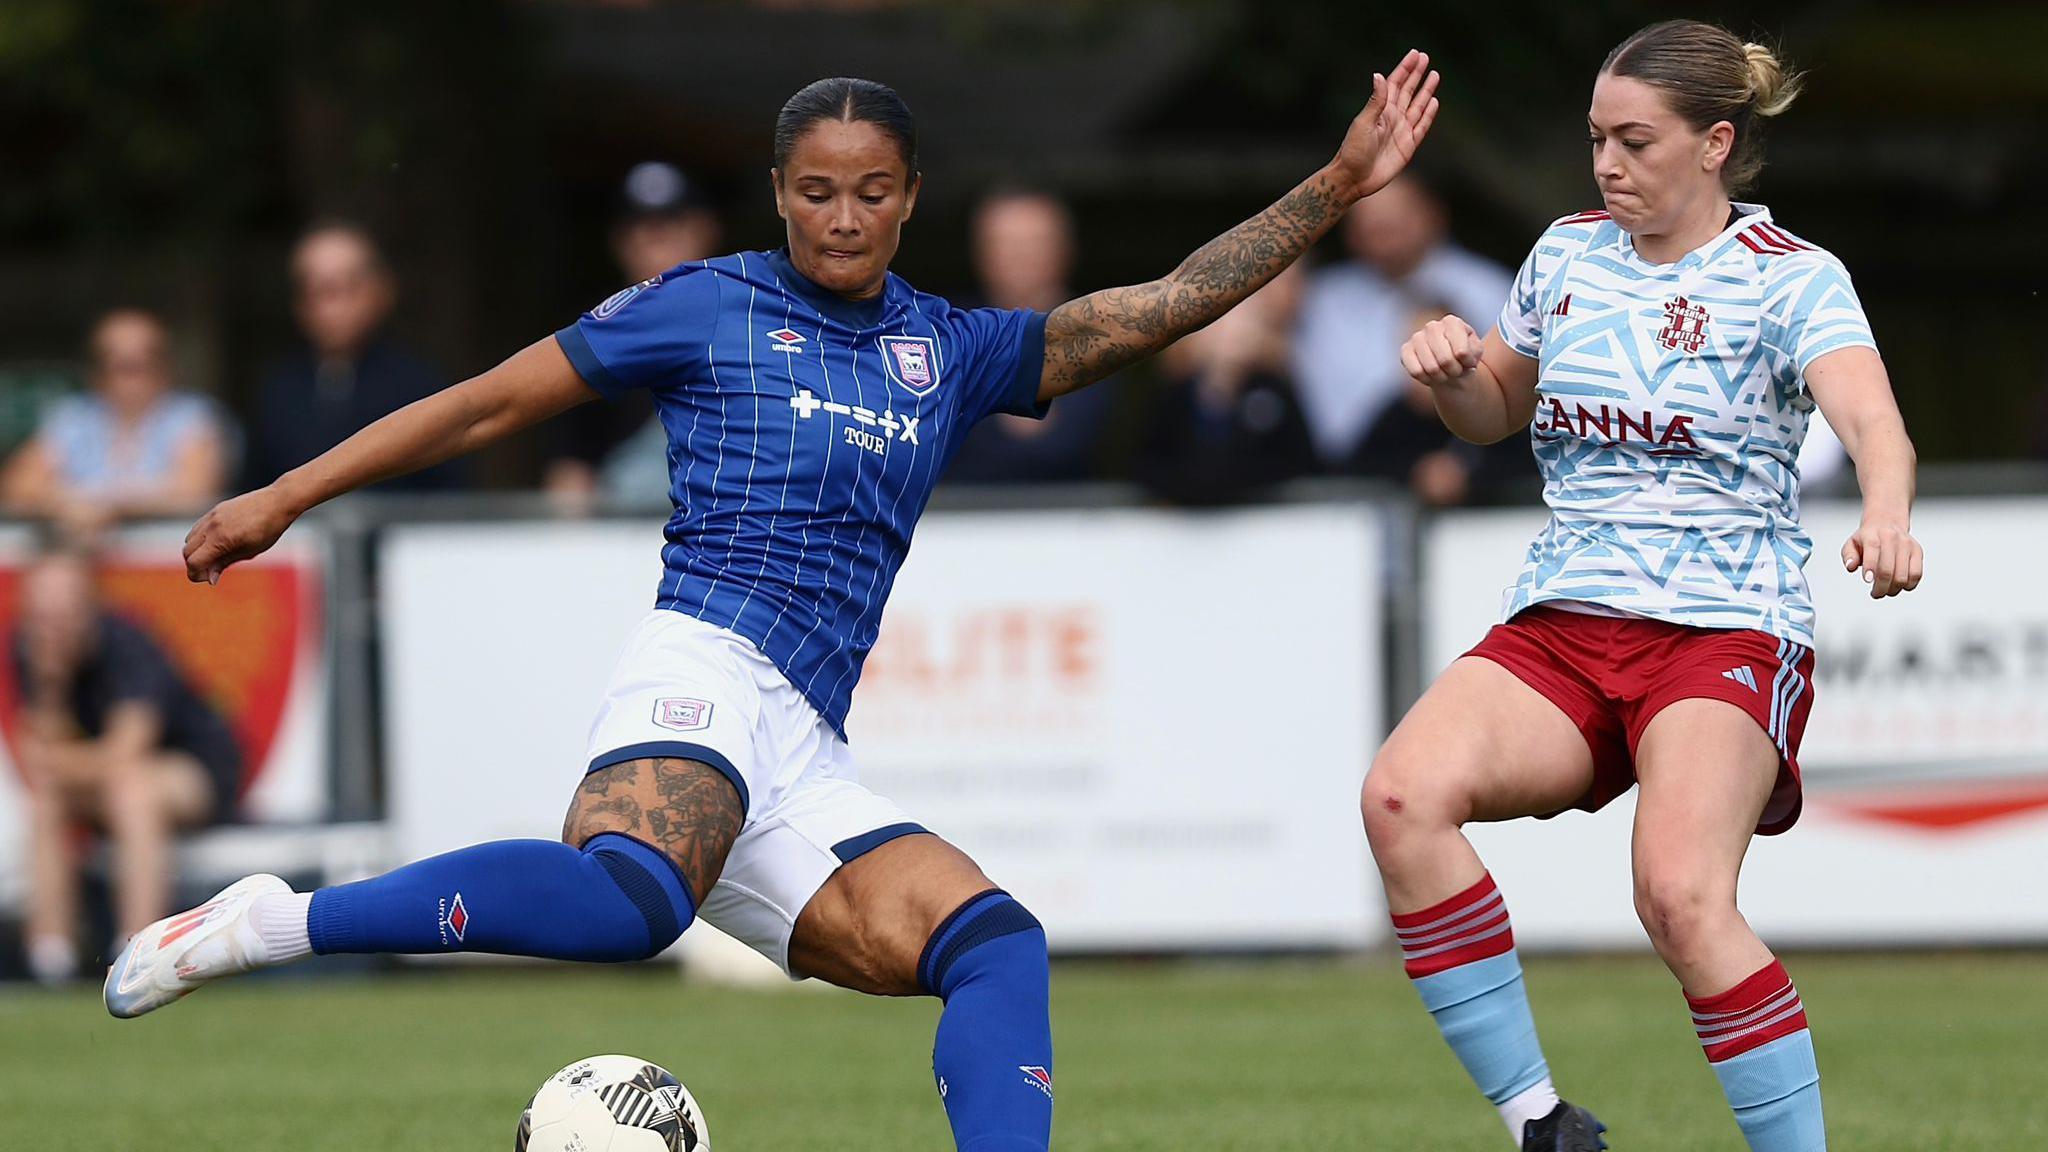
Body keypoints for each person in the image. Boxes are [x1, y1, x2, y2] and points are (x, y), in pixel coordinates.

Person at [107, 60, 1442, 1152]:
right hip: (703, 661)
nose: (843, 219)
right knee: (631, 905)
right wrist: (288, 493)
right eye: (816, 193)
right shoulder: (707, 305)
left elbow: (1152, 311)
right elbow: (488, 402)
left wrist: (1332, 188)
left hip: (803, 742)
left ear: (911, 198)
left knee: (996, 946)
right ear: (780, 196)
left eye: (870, 193)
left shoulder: (952, 349)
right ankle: (271, 921)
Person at [1364, 22, 1921, 1152]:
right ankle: (1542, 1126)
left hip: (1722, 628)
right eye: (1593, 140)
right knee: (1397, 798)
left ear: (1715, 143)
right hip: (1567, 618)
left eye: (1633, 140)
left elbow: (1870, 418)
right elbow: (1493, 412)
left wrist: (1884, 510)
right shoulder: (1564, 255)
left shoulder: (1790, 279)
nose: (1606, 164)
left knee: (1676, 897)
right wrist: (1450, 376)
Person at [14, 546, 242, 984]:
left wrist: (57, 762)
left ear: (90, 608)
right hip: (110, 776)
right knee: (49, 800)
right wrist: (50, 686)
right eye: (42, 617)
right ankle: (49, 956)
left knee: (131, 790)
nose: (52, 630)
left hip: (193, 769)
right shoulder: (31, 653)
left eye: (63, 615)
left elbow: (126, 751)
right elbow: (38, 761)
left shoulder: (128, 644)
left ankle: (136, 952)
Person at [1293, 173, 1512, 468]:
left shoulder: (1490, 289)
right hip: (1344, 478)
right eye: (1368, 222)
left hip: (1473, 471)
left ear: (1434, 215)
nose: (1381, 231)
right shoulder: (1321, 299)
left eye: (1396, 218)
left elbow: (1509, 396)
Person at [544, 162, 726, 509]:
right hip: (621, 540)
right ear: (619, 242)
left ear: (706, 231)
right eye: (641, 230)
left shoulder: (746, 322)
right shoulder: (593, 337)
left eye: (671, 227)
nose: (654, 244)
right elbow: (569, 471)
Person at [245, 222, 460, 492]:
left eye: (346, 288)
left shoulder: (419, 385)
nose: (332, 307)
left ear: (382, 291)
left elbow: (449, 494)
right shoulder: (278, 390)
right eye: (317, 290)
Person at [0, 309, 229, 539]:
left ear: (165, 367)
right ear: (96, 370)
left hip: (167, 557)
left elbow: (194, 489)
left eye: (140, 363)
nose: (129, 376)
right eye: (117, 363)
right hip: (78, 554)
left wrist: (107, 505)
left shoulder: (193, 415)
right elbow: (18, 486)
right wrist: (68, 504)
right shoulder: (75, 416)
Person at [944, 187, 1116, 485]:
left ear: (1065, 249)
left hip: (1078, 520)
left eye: (1034, 243)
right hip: (964, 520)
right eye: (1007, 244)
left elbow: (1071, 441)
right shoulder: (947, 331)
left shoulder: (1102, 329)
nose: (1021, 257)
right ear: (981, 251)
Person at [1133, 264, 1316, 505]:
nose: (1231, 333)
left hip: (1262, 526)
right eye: (1217, 323)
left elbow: (1299, 463)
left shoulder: (1273, 390)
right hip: (1184, 528)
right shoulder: (1175, 395)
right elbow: (1145, 464)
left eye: (1243, 321)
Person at [1350, 299, 1533, 506]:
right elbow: (1357, 472)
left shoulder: (1498, 406)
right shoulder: (1394, 416)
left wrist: (1470, 475)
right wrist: (1415, 473)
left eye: (1439, 348)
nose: (1431, 361)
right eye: (1417, 350)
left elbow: (1527, 463)